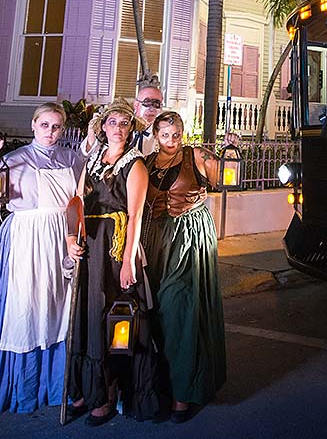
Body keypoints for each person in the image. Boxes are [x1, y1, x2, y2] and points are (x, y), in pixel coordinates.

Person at [0, 103, 87, 415]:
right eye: (45, 125)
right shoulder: (14, 160)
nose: (50, 132)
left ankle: (59, 383)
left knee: (60, 307)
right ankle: (26, 387)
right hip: (27, 241)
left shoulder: (73, 159)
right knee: (27, 308)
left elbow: (85, 196)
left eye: (57, 126)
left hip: (63, 238)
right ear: (33, 125)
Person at [68, 101, 160, 425]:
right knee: (88, 317)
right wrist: (70, 239)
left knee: (114, 321)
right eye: (112, 122)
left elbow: (134, 216)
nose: (118, 128)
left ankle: (107, 393)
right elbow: (76, 203)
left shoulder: (135, 165)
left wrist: (128, 262)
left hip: (116, 249)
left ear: (130, 129)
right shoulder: (92, 160)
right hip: (91, 247)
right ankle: (86, 389)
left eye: (124, 123)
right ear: (102, 126)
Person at [142, 110, 227, 422]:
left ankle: (183, 393)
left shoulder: (197, 156)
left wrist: (225, 153)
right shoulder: (147, 162)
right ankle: (161, 383)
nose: (171, 141)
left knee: (178, 308)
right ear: (155, 135)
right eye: (165, 135)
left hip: (189, 238)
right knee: (154, 314)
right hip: (155, 240)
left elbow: (222, 176)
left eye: (176, 134)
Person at [79, 81, 165, 158]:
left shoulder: (163, 133)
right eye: (147, 103)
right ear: (136, 105)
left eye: (156, 104)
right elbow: (86, 153)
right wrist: (91, 136)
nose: (151, 108)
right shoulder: (116, 122)